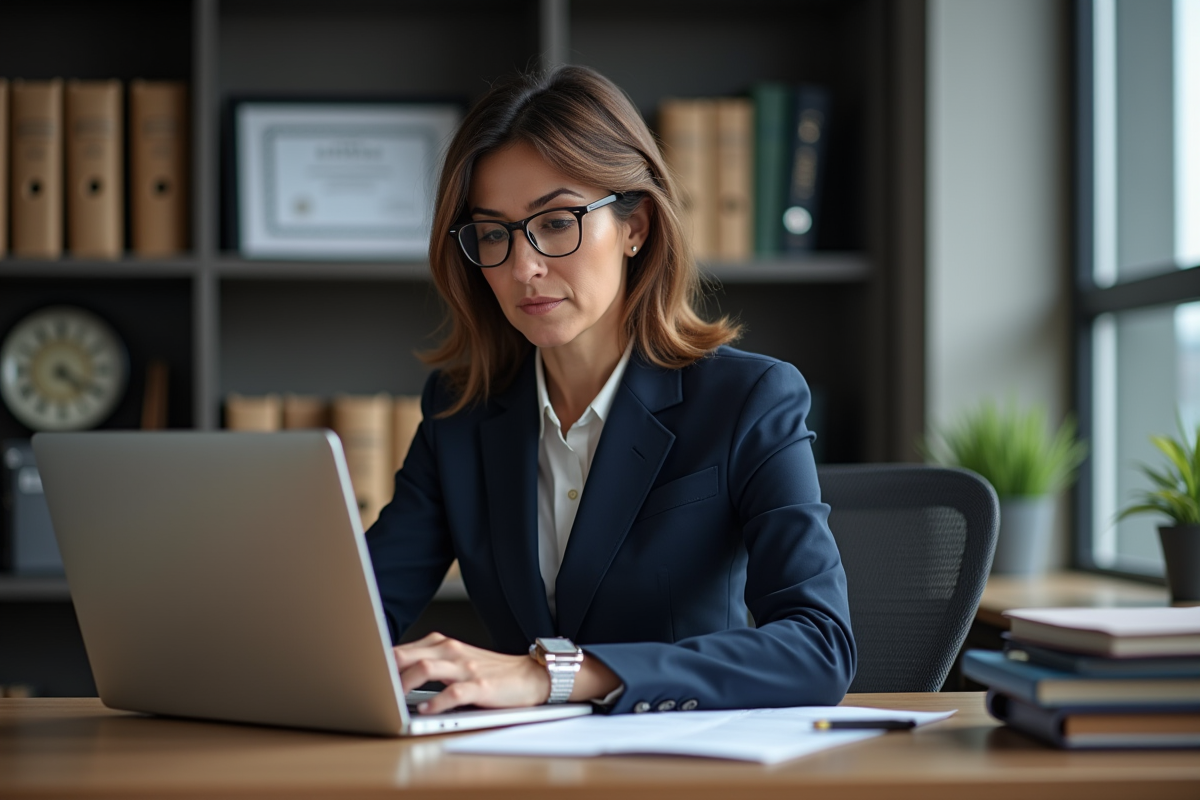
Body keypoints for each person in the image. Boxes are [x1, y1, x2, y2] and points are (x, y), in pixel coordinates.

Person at [366, 65, 855, 716]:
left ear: (636, 227)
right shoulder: (461, 409)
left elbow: (819, 649)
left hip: (688, 767)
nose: (524, 267)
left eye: (558, 221)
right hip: (522, 773)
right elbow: (358, 613)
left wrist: (556, 675)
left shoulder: (749, 399)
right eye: (493, 233)